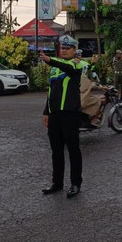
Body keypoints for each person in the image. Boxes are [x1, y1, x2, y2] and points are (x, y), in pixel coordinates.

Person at [39, 35, 83, 198]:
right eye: (62, 48)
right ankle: (57, 183)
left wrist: (48, 59)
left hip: (70, 114)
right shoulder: (54, 69)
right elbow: (51, 92)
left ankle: (75, 183)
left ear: (74, 50)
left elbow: (69, 69)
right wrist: (46, 112)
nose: (63, 51)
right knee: (56, 151)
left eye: (67, 48)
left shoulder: (76, 64)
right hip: (55, 115)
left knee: (73, 150)